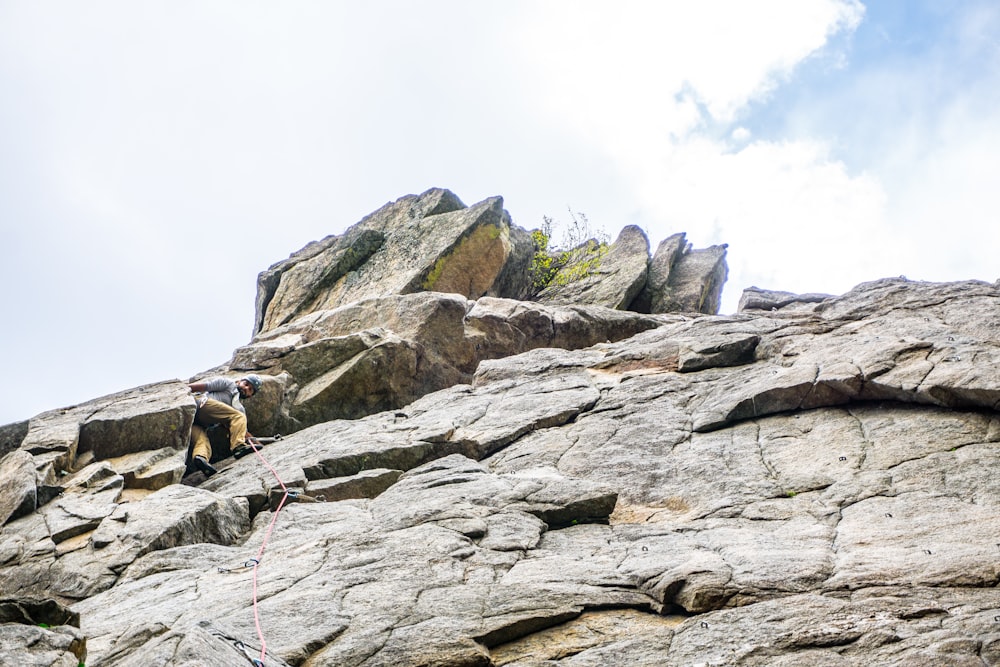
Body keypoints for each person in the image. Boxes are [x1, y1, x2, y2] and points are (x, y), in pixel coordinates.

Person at [187, 374, 263, 477]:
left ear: (250, 395)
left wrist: (260, 444)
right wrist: (182, 391)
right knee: (239, 417)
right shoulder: (229, 384)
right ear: (239, 381)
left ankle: (201, 459)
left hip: (197, 423)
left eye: (250, 389)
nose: (246, 388)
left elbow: (243, 432)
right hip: (202, 405)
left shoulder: (239, 409)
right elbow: (204, 387)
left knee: (202, 442)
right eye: (246, 384)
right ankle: (238, 447)